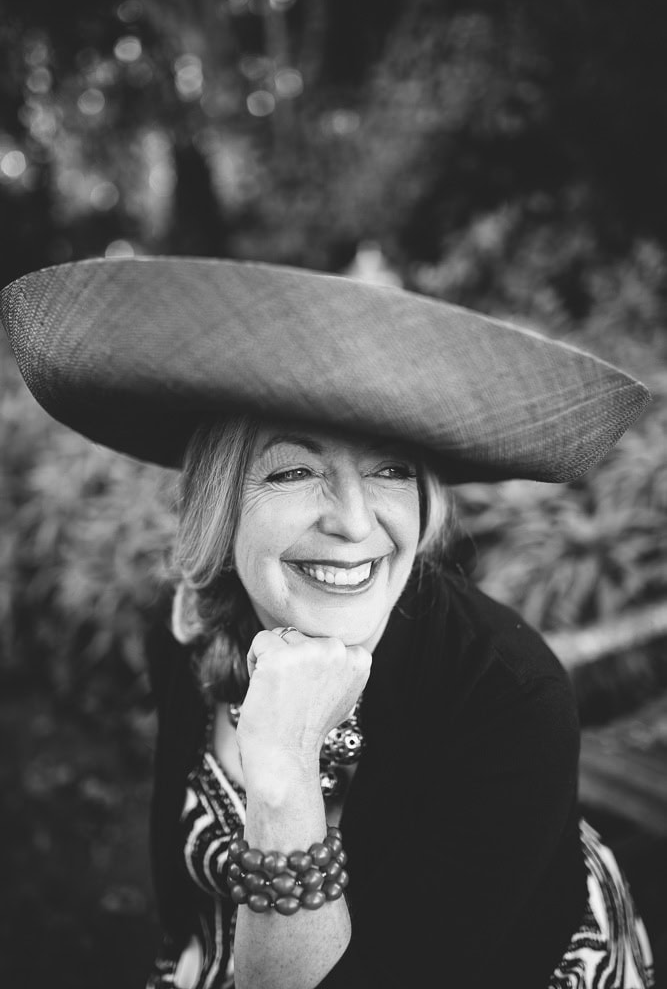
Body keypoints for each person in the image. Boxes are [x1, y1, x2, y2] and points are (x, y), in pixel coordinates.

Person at [0, 256, 656, 989]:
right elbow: (183, 898)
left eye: (389, 470)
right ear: (219, 505)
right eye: (291, 471)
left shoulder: (509, 702)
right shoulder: (189, 623)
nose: (352, 522)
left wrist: (283, 774)